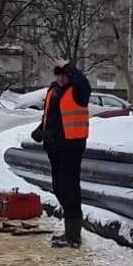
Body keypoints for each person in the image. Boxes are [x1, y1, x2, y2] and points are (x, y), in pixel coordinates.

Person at [38, 59, 91, 248]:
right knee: (59, 187)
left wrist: (69, 66)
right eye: (58, 75)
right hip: (54, 148)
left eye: (64, 75)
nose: (60, 78)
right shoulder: (53, 90)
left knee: (70, 189)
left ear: (69, 75)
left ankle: (73, 235)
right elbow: (51, 116)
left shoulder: (78, 91)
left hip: (71, 147)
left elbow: (83, 82)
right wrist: (40, 130)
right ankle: (70, 229)